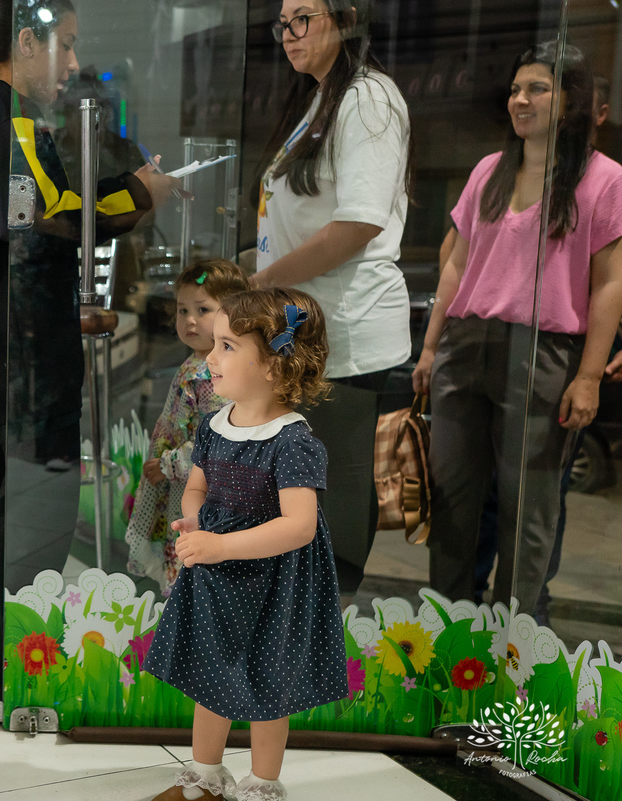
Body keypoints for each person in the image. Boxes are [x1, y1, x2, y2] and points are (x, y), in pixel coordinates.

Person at [0, 0, 179, 722]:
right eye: (65, 46)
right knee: (29, 500)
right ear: (24, 41)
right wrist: (142, 193)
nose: (72, 64)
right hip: (18, 354)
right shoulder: (3, 114)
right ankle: (20, 672)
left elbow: (33, 213)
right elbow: (49, 218)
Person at [413, 43, 622, 616]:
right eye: (515, 89)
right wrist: (430, 347)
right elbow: (455, 263)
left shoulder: (604, 180)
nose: (521, 99)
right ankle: (446, 633)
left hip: (544, 353)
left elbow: (609, 284)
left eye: (538, 88)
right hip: (466, 345)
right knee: (452, 502)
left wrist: (587, 376)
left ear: (572, 100)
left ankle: (516, 642)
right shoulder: (489, 169)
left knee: (527, 509)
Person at [144, 288, 346, 801]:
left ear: (277, 365)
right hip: (217, 578)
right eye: (215, 344)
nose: (210, 358)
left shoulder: (293, 441)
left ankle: (262, 783)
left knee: (265, 685)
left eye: (227, 346)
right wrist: (193, 522)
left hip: (274, 586)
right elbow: (197, 486)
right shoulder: (215, 425)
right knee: (209, 677)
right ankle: (203, 776)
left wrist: (219, 547)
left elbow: (299, 525)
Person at [250, 0, 413, 593]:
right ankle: (299, 627)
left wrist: (267, 281)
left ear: (344, 19)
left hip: (347, 330)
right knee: (297, 487)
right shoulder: (321, 96)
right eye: (283, 24)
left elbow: (358, 225)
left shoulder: (368, 97)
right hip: (303, 325)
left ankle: (324, 634)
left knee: (333, 494)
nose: (289, 35)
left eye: (304, 20)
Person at [126, 259, 248, 595]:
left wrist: (169, 465)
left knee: (191, 560)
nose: (190, 320)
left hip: (197, 486)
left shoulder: (214, 372)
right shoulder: (196, 361)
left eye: (203, 309)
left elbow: (218, 440)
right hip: (179, 484)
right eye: (182, 310)